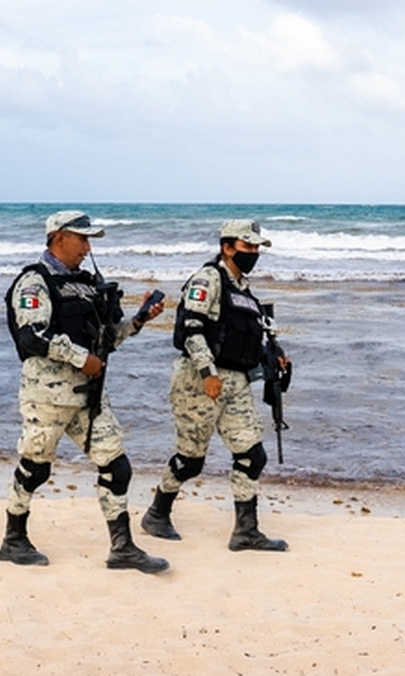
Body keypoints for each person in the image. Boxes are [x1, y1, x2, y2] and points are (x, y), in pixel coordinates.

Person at [0, 210, 169, 574]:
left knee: (117, 465)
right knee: (35, 468)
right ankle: (13, 539)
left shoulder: (87, 284)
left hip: (88, 397)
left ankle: (122, 548)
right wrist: (81, 359)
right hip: (48, 395)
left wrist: (139, 320)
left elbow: (106, 341)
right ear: (59, 237)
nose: (88, 247)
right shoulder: (35, 282)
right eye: (83, 239)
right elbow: (33, 337)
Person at [140, 219, 290, 552]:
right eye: (246, 247)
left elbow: (245, 333)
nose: (252, 253)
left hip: (235, 382)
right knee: (191, 460)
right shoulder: (208, 279)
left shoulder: (243, 289)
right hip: (199, 380)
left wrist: (274, 353)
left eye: (255, 248)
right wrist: (208, 373)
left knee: (253, 454)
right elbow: (192, 328)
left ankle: (245, 532)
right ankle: (156, 514)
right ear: (227, 247)